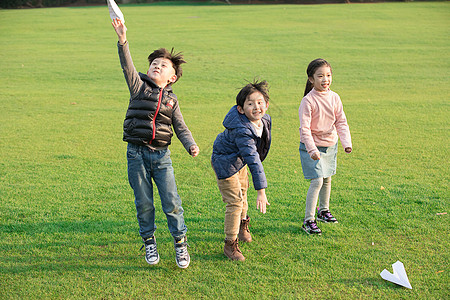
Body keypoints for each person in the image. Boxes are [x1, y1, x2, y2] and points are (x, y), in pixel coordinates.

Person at [111, 18, 199, 268]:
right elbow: (127, 65)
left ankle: (180, 243)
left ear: (172, 78)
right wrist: (122, 39)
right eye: (154, 64)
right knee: (144, 203)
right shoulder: (138, 87)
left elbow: (180, 127)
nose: (156, 67)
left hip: (162, 158)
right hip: (136, 155)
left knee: (172, 202)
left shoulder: (172, 101)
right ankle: (149, 241)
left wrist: (190, 144)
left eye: (162, 65)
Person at [211, 80, 272, 261]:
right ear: (240, 109)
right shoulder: (241, 130)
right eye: (250, 103)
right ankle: (230, 244)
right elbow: (253, 158)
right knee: (235, 202)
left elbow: (260, 146)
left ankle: (242, 226)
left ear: (267, 105)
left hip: (239, 161)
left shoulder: (265, 120)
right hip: (225, 163)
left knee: (243, 194)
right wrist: (261, 191)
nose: (256, 107)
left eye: (260, 102)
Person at [298, 58, 352, 235]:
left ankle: (324, 211)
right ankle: (309, 220)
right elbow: (304, 129)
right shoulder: (308, 101)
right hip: (311, 147)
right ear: (311, 79)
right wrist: (312, 149)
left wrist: (346, 143)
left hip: (330, 144)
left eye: (328, 75)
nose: (325, 79)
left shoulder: (335, 97)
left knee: (327, 177)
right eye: (320, 76)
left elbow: (341, 122)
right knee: (317, 180)